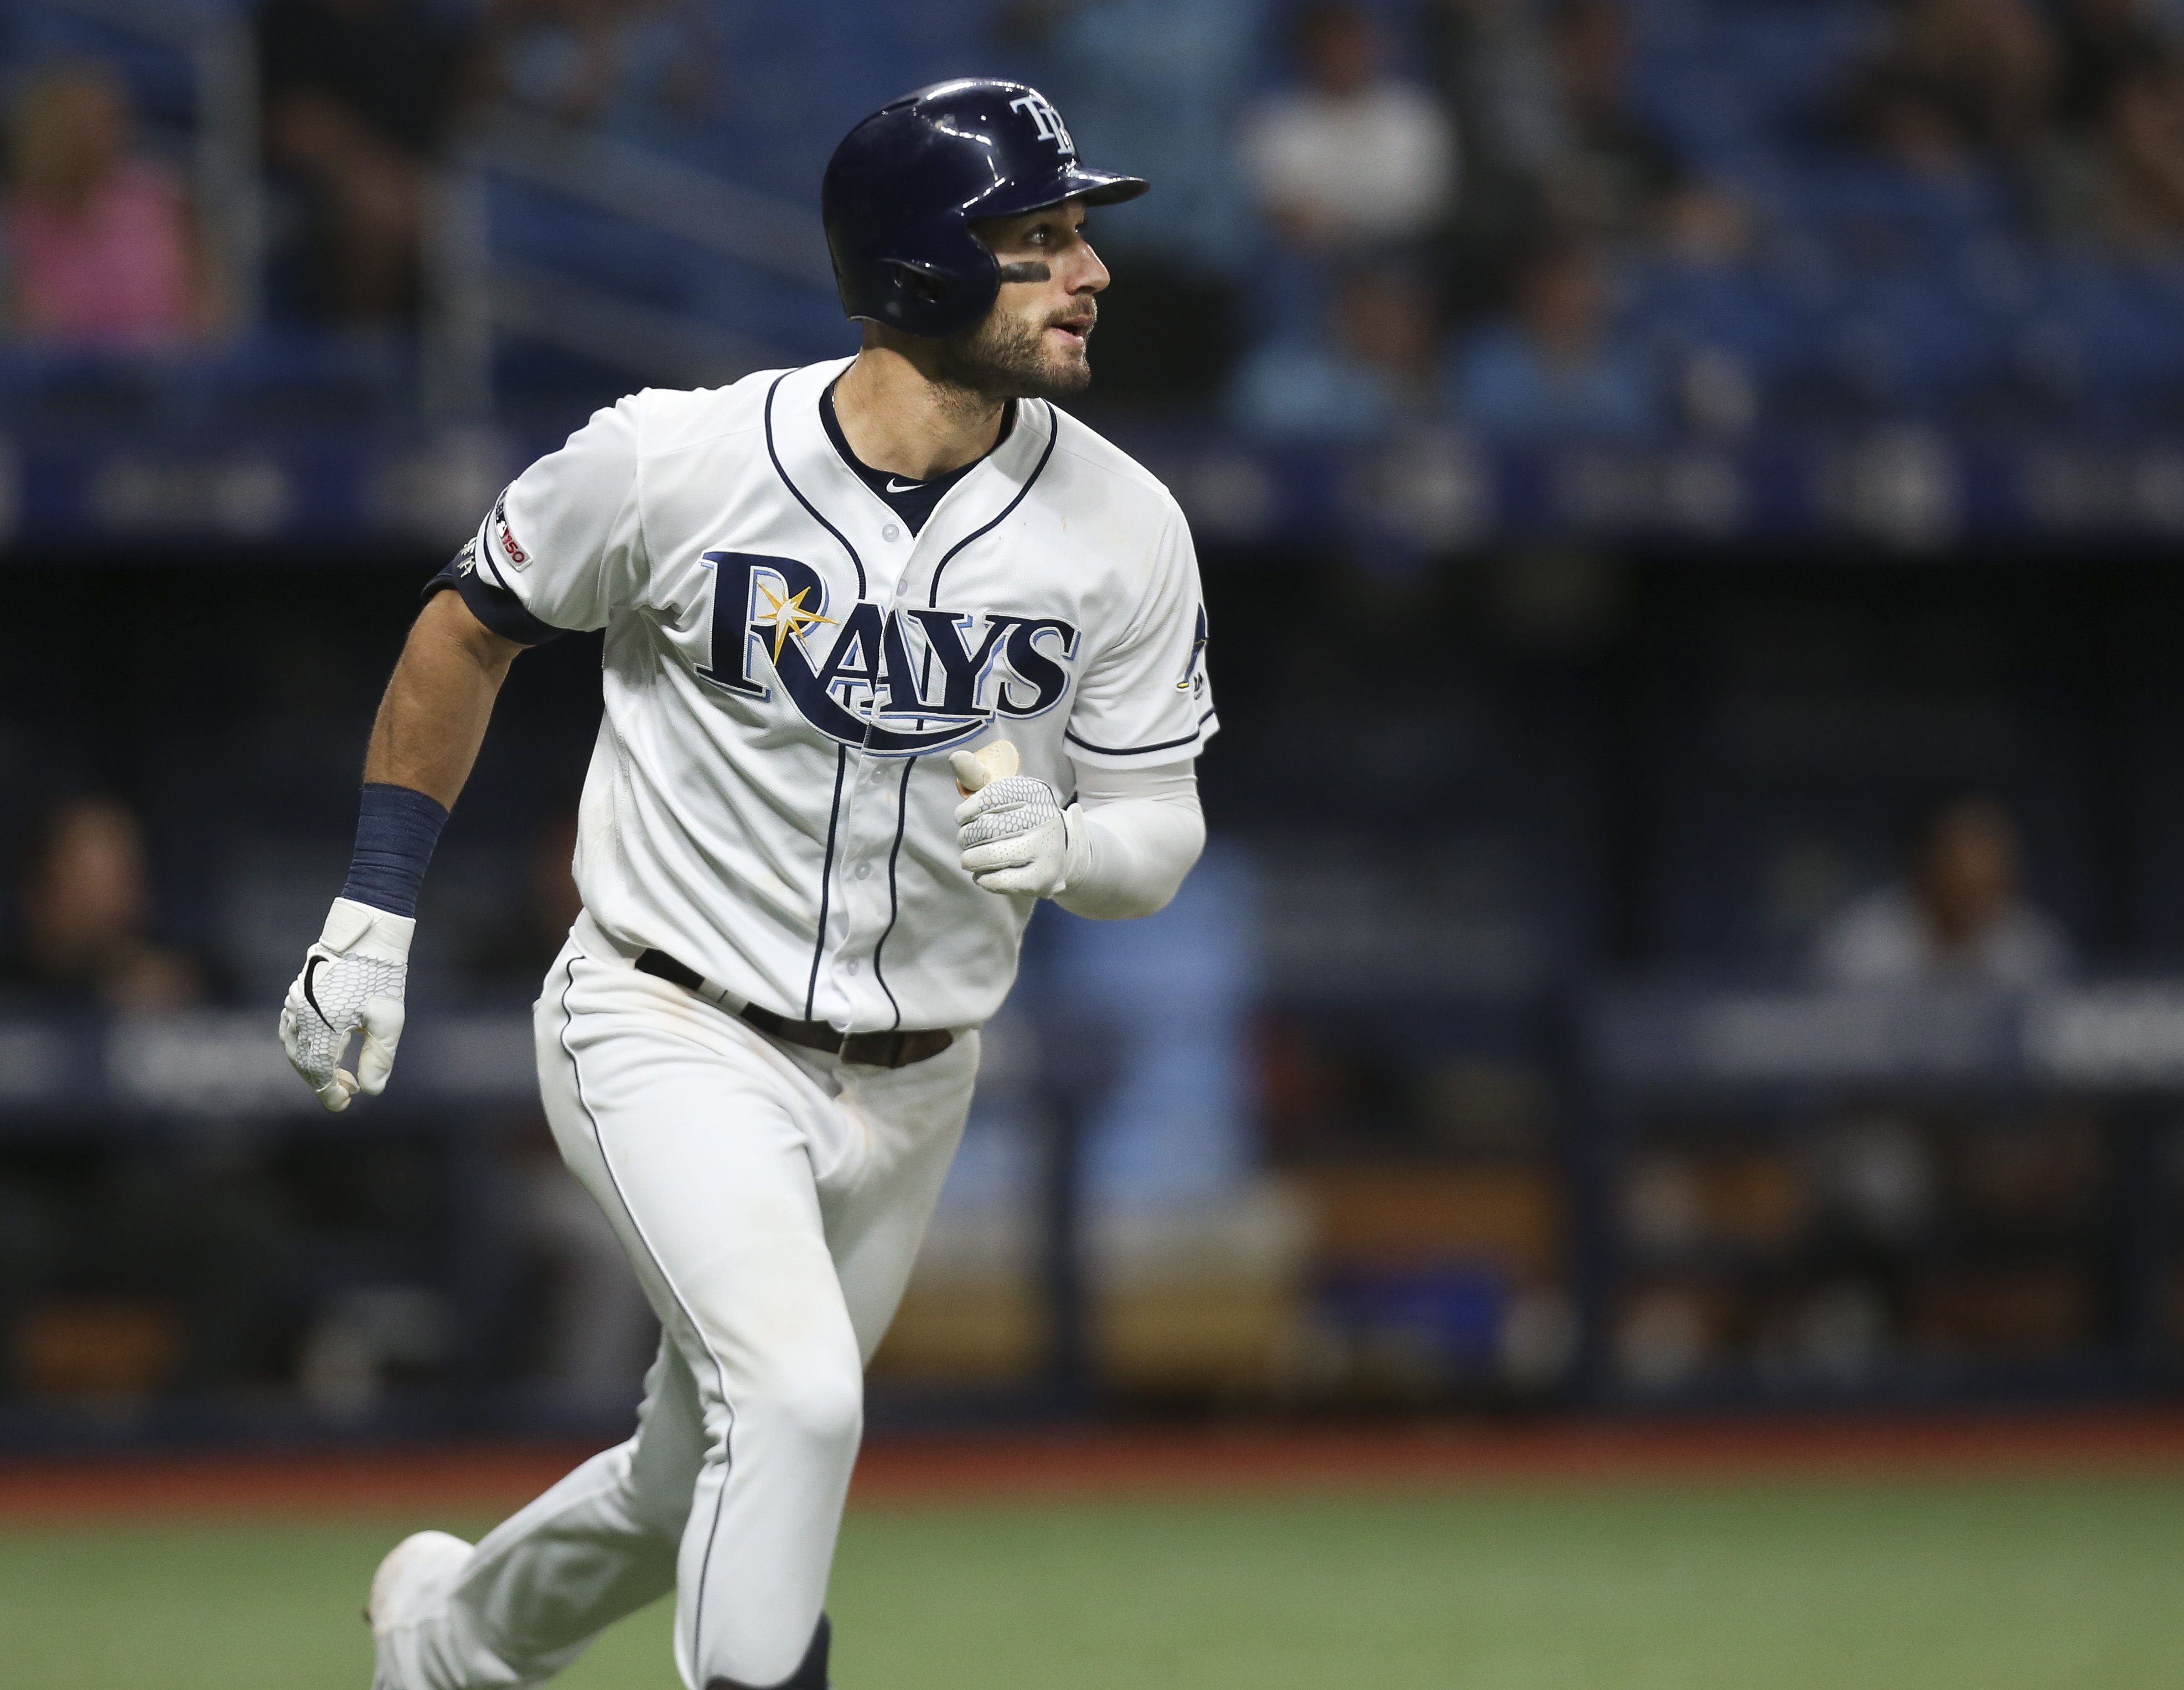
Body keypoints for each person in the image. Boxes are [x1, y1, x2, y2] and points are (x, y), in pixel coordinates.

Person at [277, 79, 1213, 1690]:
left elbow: (1160, 828)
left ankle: (449, 1640)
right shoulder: (675, 458)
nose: (1089, 273)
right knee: (794, 1405)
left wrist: (1074, 851)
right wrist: (372, 911)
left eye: (1078, 237)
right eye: (1040, 238)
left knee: (689, 1473)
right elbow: (467, 626)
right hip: (668, 1017)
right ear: (920, 262)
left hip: (917, 1075)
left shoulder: (1124, 528)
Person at [256, 0, 479, 320]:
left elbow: (464, 111)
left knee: (480, 216)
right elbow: (291, 122)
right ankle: (362, 355)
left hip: (424, 174)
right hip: (319, 175)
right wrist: (370, 168)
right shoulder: (294, 19)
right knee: (384, 209)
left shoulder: (418, 25)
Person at [3, 64, 215, 348]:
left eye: (107, 122)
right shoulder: (17, 215)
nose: (95, 139)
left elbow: (206, 309)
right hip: (52, 378)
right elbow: (23, 321)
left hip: (162, 372)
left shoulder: (160, 199)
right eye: (77, 128)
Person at [1240, 1, 1460, 255]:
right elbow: (1284, 211)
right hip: (1313, 259)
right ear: (1308, 55)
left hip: (1402, 252)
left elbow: (1426, 202)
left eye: (1352, 47)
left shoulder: (1414, 112)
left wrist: (1340, 217)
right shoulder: (1276, 123)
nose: (1343, 59)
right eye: (1331, 50)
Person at [1813, 797, 2073, 988]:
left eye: (1991, 881)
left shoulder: (2033, 945)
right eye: (1965, 881)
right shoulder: (1863, 943)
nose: (1977, 897)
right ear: (1928, 867)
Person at [0, 796, 207, 1012]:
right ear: (40, 882)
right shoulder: (10, 990)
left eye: (130, 859)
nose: (124, 874)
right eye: (102, 850)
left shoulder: (190, 988)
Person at [1447, 234, 1662, 440]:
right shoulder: (1490, 354)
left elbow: (1642, 438)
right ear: (1535, 288)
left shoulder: (1629, 366)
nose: (1576, 298)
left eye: (1588, 283)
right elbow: (1479, 431)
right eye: (1563, 283)